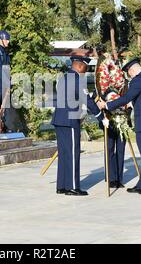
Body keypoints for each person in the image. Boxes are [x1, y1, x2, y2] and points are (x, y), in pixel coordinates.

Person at [97, 57, 141, 195]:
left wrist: (107, 105)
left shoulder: (138, 81)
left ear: (132, 70)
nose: (129, 76)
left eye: (129, 73)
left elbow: (126, 98)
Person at [52, 56, 104, 196]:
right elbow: (86, 100)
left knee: (64, 154)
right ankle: (73, 187)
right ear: (80, 66)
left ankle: (62, 185)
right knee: (73, 153)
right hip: (70, 121)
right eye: (86, 69)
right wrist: (100, 117)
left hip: (59, 120)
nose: (86, 72)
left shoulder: (63, 78)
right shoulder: (77, 80)